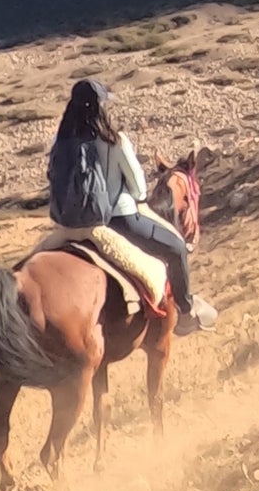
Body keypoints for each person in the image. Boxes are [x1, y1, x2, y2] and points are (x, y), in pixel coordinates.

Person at [48, 78, 206, 331]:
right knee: (176, 248)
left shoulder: (62, 141)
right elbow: (139, 188)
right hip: (119, 220)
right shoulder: (114, 140)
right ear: (101, 108)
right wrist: (133, 195)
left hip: (69, 225)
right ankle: (185, 312)